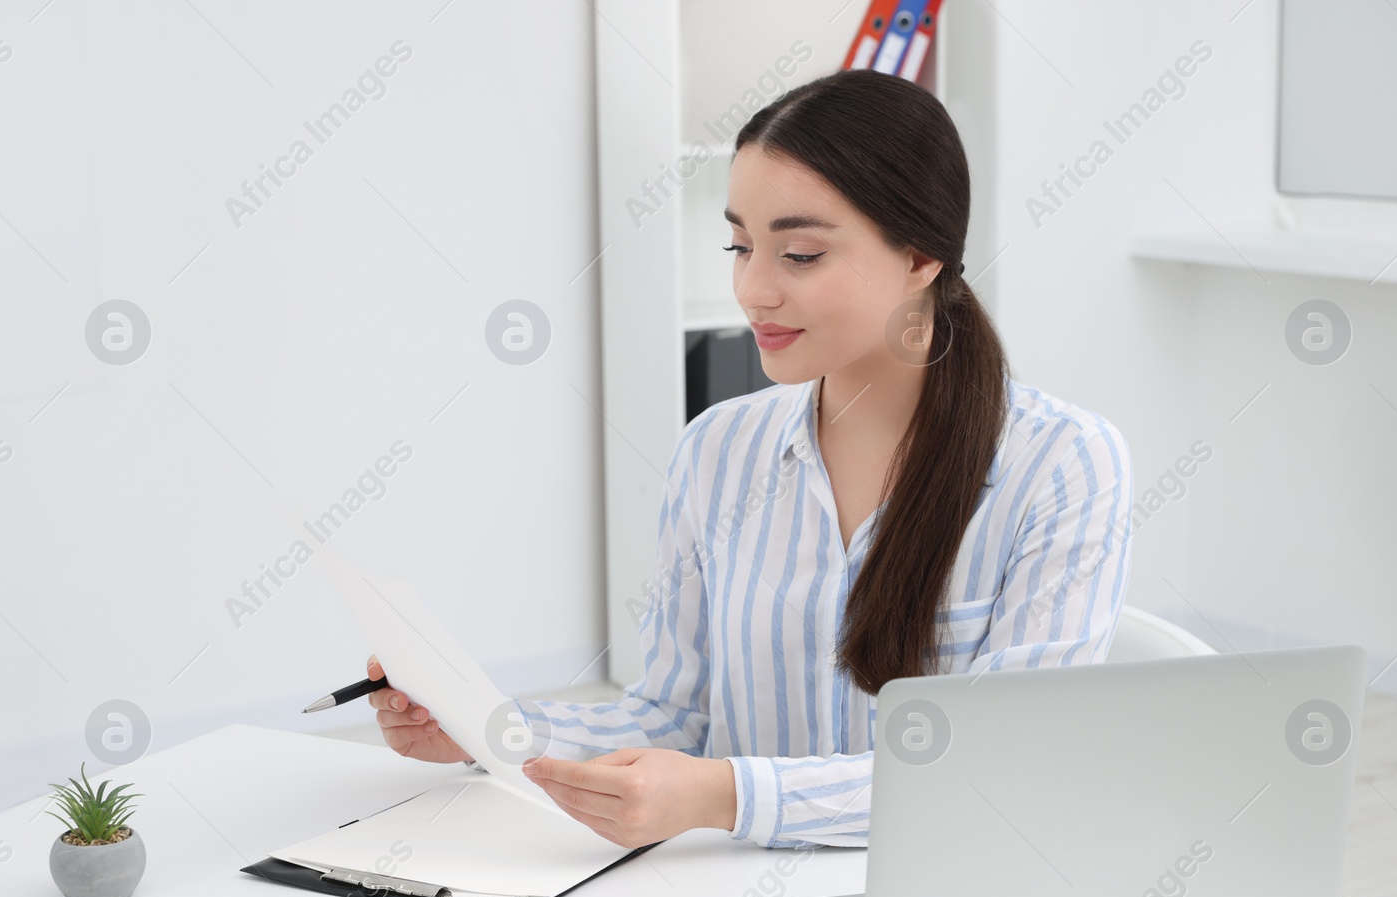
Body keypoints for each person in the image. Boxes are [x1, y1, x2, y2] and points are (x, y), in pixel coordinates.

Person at [367, 69, 1133, 851]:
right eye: (739, 246)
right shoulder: (717, 451)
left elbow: (995, 768)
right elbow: (674, 716)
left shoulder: (1063, 466)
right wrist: (484, 728)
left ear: (921, 256)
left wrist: (727, 794)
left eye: (799, 254)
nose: (753, 289)